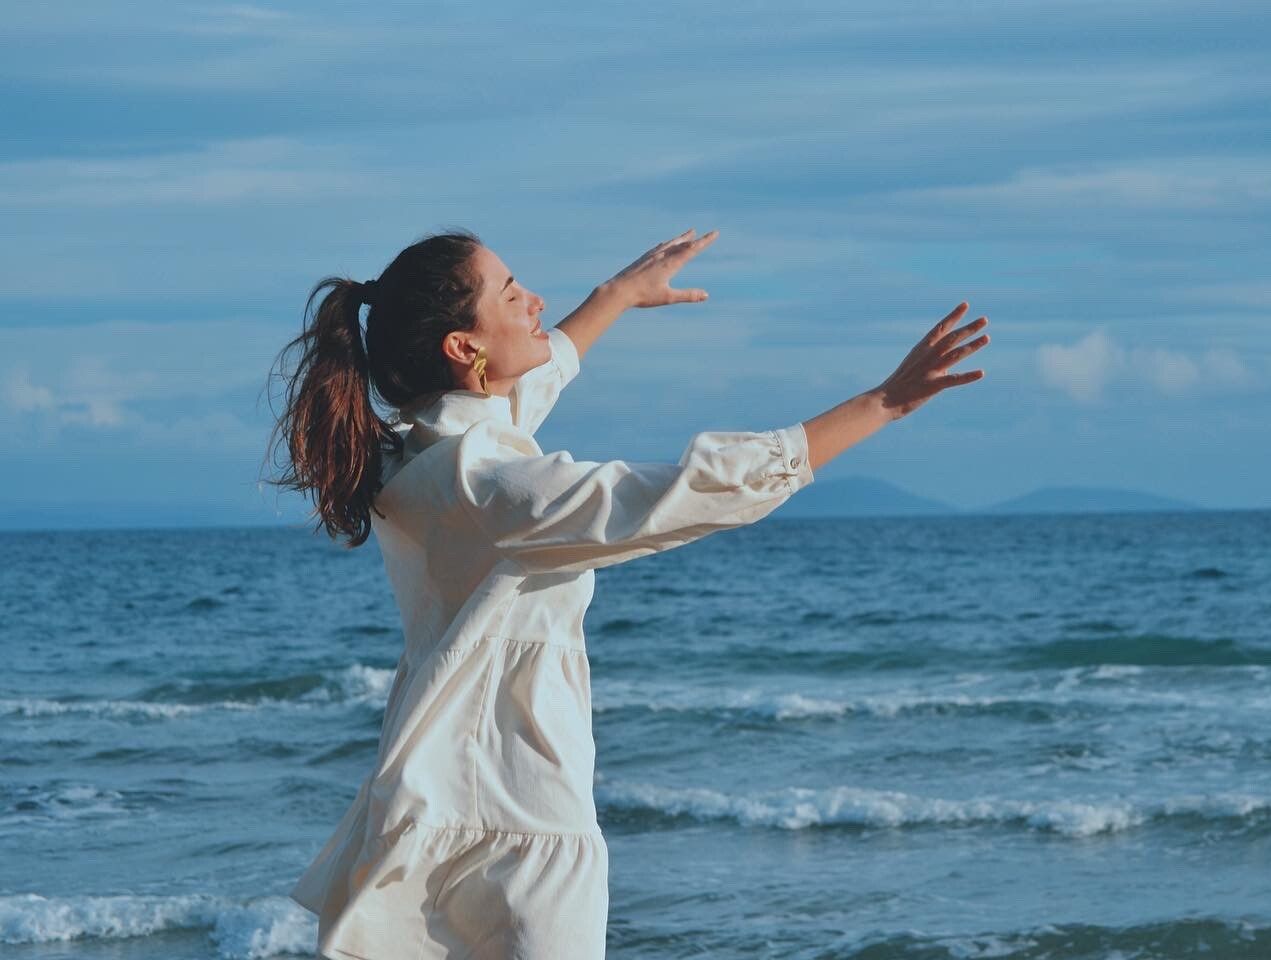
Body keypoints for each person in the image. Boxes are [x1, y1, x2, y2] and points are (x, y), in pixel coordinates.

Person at [264, 226, 989, 960]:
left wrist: (616, 296)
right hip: (517, 815)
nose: (535, 301)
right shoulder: (493, 488)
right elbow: (686, 492)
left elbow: (524, 390)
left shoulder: (415, 453)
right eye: (512, 295)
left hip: (443, 790)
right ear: (463, 346)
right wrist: (884, 403)